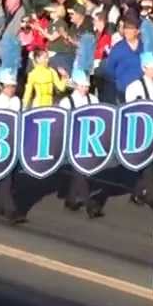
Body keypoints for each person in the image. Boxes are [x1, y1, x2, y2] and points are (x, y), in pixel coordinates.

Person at [125, 19, 153, 211]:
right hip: (141, 131)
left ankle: (138, 193)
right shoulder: (134, 87)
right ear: (144, 68)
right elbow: (129, 112)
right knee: (149, 164)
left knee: (148, 163)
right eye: (152, 67)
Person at [59, 34, 103, 219]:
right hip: (73, 140)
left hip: (89, 140)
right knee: (81, 172)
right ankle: (89, 204)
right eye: (82, 86)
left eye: (87, 86)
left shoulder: (93, 99)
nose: (85, 89)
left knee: (82, 171)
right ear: (76, 85)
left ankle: (71, 199)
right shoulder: (66, 102)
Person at [0, 30, 23, 222]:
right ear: (1, 86)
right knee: (6, 177)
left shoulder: (17, 101)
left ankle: (0, 204)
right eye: (8, 86)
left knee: (10, 178)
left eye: (13, 86)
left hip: (14, 144)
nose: (11, 89)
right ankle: (10, 210)